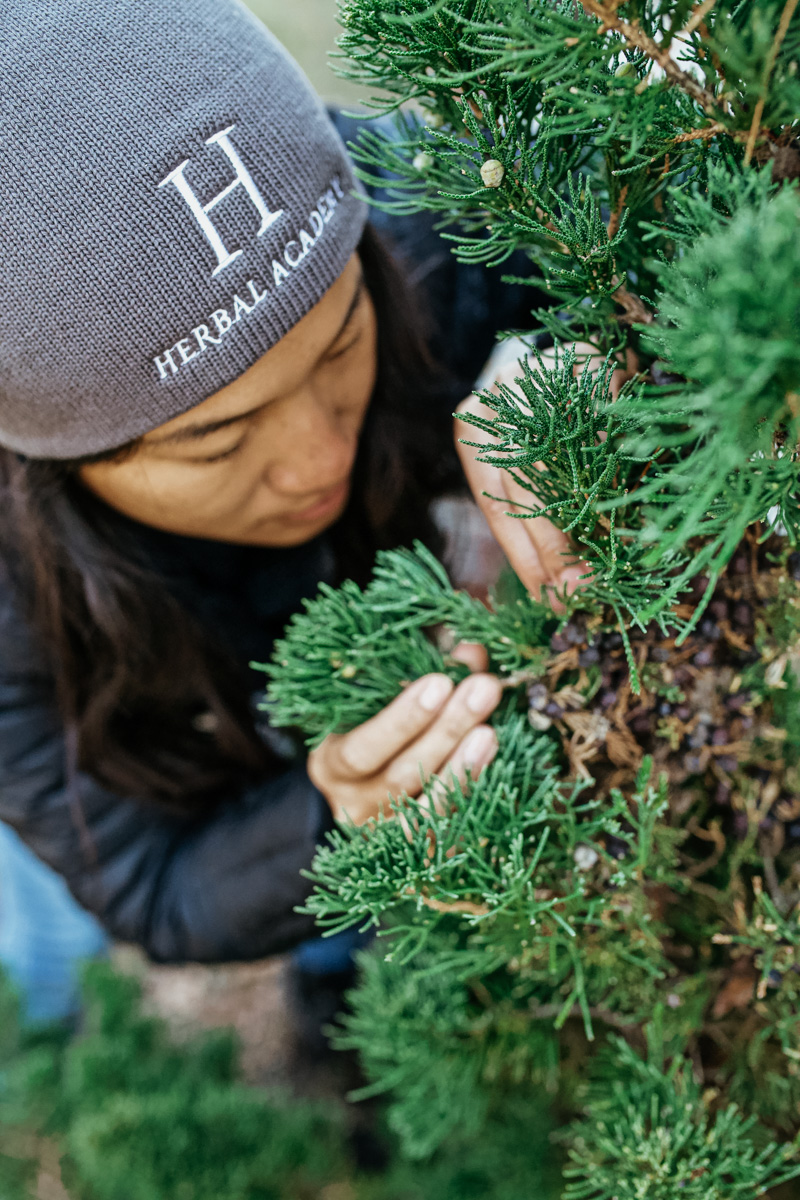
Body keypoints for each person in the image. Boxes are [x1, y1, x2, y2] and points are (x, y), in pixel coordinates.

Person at [0, 0, 584, 1008]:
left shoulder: (404, 210)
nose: (320, 454)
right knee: (50, 951)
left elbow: (664, 207)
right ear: (54, 467)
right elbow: (152, 882)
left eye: (342, 346)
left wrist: (572, 350)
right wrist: (325, 817)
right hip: (150, 701)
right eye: (216, 439)